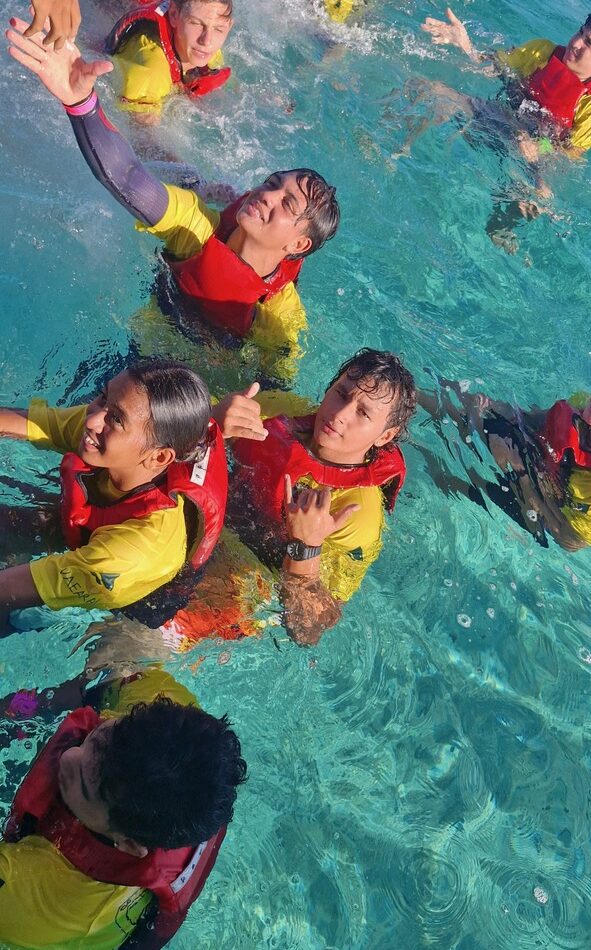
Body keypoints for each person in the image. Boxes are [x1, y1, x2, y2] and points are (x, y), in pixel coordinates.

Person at [6, 18, 340, 378]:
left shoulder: (280, 314)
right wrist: (80, 103)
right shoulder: (194, 227)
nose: (268, 194)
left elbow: (275, 388)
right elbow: (127, 178)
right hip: (134, 360)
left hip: (198, 390)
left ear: (299, 244)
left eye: (287, 203)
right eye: (272, 182)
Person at [0, 667, 247, 948]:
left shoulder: (39, 900)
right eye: (96, 734)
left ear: (127, 844)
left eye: (82, 787)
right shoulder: (165, 723)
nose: (68, 756)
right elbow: (121, 662)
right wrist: (55, 696)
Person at [197, 349, 417, 646]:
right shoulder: (283, 412)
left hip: (245, 580)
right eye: (341, 394)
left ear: (385, 436)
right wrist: (212, 421)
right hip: (205, 520)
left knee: (147, 636)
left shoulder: (357, 516)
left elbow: (309, 628)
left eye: (363, 413)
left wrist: (307, 546)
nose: (340, 415)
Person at [0, 359, 228, 634]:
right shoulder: (115, 430)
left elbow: (6, 589)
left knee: (17, 618)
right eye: (103, 396)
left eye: (116, 419)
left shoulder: (135, 550)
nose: (92, 420)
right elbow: (34, 423)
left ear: (159, 457)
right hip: (103, 534)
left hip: (141, 611)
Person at [418, 381, 591, 551]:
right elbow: (531, 419)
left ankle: (419, 400)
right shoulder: (580, 407)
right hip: (540, 465)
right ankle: (428, 395)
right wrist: (492, 406)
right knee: (479, 418)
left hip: (555, 513)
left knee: (471, 455)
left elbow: (568, 536)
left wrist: (531, 488)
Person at [422, 8, 591, 157]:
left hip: (531, 157)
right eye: (580, 32)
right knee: (430, 89)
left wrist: (539, 147)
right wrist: (465, 45)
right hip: (499, 116)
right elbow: (492, 67)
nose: (576, 43)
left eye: (589, 43)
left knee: (532, 184)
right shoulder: (541, 51)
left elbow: (570, 151)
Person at [106, 0, 233, 119]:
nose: (206, 41)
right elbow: (144, 131)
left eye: (218, 29)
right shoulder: (151, 72)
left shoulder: (205, 50)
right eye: (196, 23)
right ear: (173, 15)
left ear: (229, 26)